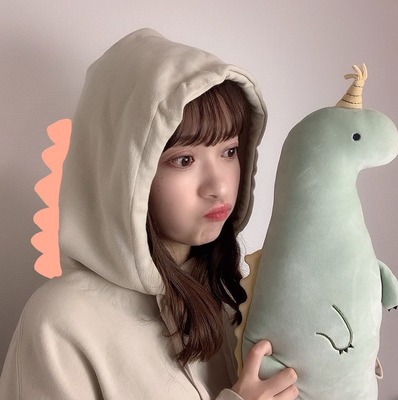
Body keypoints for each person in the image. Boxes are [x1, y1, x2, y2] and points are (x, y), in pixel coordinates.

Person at [0, 28, 298, 399]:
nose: (219, 187)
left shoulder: (234, 295)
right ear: (125, 173)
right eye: (184, 160)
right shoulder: (60, 321)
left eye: (229, 151)